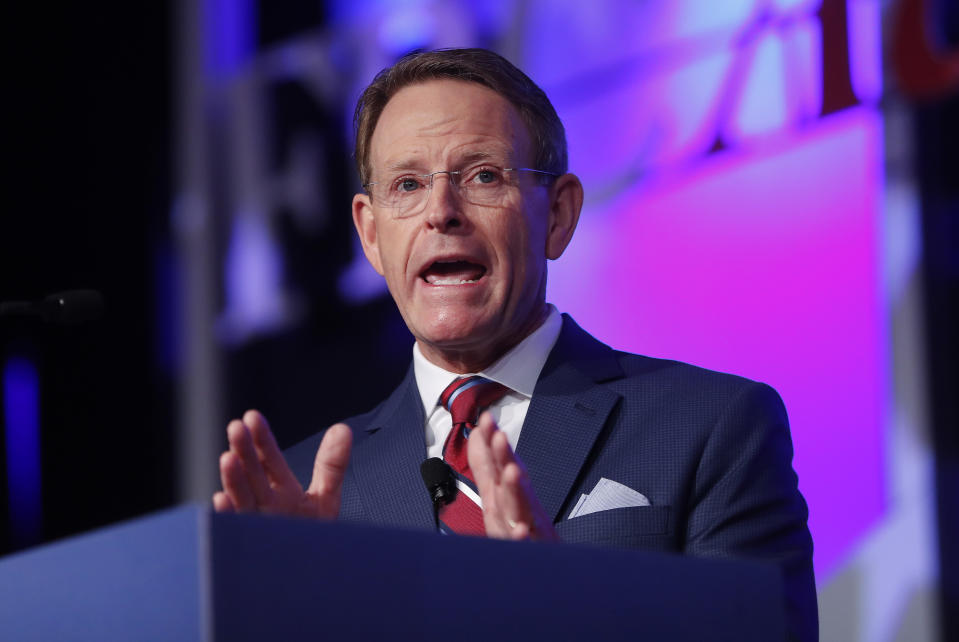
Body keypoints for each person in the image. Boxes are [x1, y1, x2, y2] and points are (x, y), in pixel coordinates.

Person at [213, 48, 817, 640]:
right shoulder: (303, 500)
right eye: (407, 184)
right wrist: (281, 614)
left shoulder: (711, 427)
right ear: (371, 235)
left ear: (557, 214)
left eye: (482, 176)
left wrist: (556, 608)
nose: (441, 213)